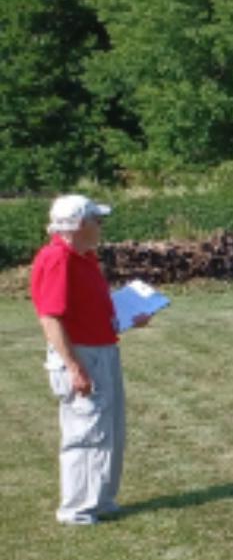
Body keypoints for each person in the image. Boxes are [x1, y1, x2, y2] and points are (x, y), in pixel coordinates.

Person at [30, 194, 154, 525]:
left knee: (108, 429)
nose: (101, 227)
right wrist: (73, 366)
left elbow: (90, 308)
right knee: (86, 431)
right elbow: (51, 318)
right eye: (97, 221)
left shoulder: (83, 257)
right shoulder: (59, 259)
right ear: (80, 224)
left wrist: (128, 318)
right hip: (82, 354)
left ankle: (100, 499)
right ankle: (76, 509)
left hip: (102, 349)